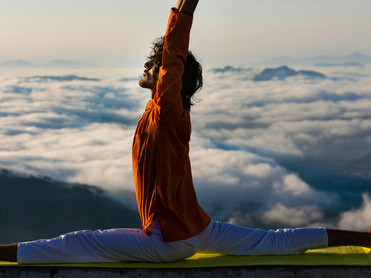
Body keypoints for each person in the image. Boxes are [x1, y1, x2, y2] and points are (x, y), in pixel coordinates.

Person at [1, 0, 370, 263]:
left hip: (167, 242)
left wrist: (186, 7)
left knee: (78, 244)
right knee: (276, 242)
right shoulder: (161, 114)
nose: (147, 65)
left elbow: (173, 60)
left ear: (167, 78)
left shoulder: (168, 112)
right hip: (199, 228)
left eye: (154, 64)